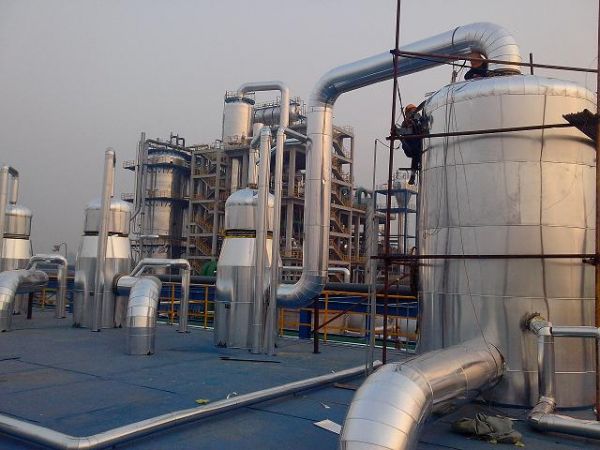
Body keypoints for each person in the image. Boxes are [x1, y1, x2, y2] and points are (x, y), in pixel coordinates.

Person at [398, 104, 424, 185]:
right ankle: (413, 176)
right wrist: (397, 130)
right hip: (409, 147)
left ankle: (413, 176)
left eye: (413, 112)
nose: (412, 114)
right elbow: (403, 132)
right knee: (416, 154)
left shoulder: (419, 120)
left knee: (416, 156)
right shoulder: (406, 123)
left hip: (418, 147)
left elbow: (426, 123)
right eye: (410, 112)